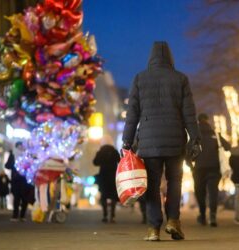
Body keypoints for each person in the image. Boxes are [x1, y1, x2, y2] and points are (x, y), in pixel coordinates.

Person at [122, 41, 201, 241]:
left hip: (149, 144)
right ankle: (173, 221)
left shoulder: (140, 78)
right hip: (175, 140)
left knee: (152, 185)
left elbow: (132, 114)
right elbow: (189, 113)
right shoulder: (180, 78)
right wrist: (195, 137)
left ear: (151, 58)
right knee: (175, 181)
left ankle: (153, 229)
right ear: (171, 58)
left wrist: (127, 141)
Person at [193, 113, 230, 227]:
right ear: (208, 120)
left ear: (198, 121)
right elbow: (228, 147)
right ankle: (213, 215)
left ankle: (202, 215)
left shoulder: (195, 135)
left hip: (199, 168)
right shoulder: (216, 134)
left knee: (200, 192)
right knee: (213, 191)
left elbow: (187, 151)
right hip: (214, 168)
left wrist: (190, 164)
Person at [93, 145, 120, 223]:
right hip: (113, 177)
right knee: (113, 197)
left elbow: (95, 162)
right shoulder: (114, 151)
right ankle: (113, 216)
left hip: (103, 176)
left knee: (103, 196)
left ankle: (105, 215)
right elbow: (120, 161)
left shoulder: (101, 152)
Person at [5, 141, 29, 222]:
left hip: (24, 179)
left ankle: (22, 215)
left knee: (24, 198)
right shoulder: (13, 155)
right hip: (16, 179)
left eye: (22, 146)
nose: (21, 148)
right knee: (17, 197)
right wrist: (14, 165)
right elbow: (7, 165)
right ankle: (15, 215)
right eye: (19, 146)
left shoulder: (27, 154)